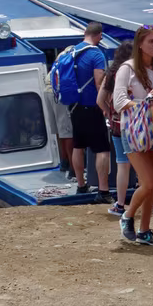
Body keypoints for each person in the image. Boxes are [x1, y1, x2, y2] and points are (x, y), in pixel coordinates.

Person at [112, 25, 153, 248]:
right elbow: (118, 102)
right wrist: (144, 102)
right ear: (140, 45)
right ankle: (127, 216)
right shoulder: (126, 69)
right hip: (134, 130)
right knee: (148, 183)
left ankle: (144, 231)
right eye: (151, 41)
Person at [59, 22, 113, 195]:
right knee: (102, 149)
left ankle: (81, 186)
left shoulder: (72, 51)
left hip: (75, 106)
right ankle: (103, 190)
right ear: (99, 36)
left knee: (78, 146)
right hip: (92, 106)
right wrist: (107, 107)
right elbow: (99, 83)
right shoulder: (96, 54)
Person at [98, 39, 136, 222]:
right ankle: (149, 201)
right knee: (143, 165)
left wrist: (109, 112)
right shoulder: (137, 72)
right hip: (137, 125)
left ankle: (120, 204)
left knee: (122, 164)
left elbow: (99, 100)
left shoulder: (111, 74)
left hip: (118, 125)